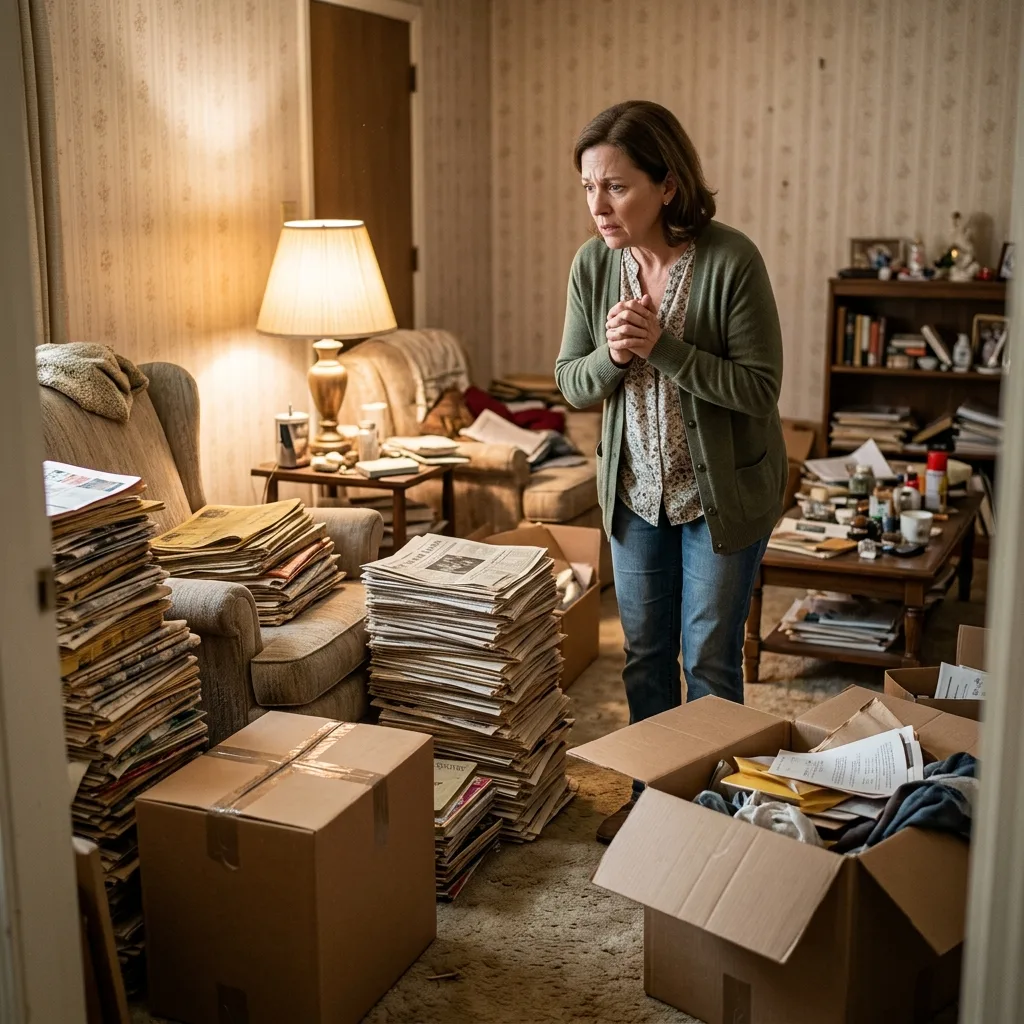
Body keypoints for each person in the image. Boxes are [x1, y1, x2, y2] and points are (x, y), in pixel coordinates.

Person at [554, 100, 787, 843]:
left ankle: (718, 813)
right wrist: (614, 356)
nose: (599, 205)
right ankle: (653, 803)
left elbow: (759, 389)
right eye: (589, 187)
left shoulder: (730, 259)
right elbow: (570, 381)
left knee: (710, 661)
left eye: (617, 186)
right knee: (645, 658)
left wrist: (664, 349)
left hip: (720, 498)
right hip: (633, 499)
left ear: (668, 186)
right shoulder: (593, 266)